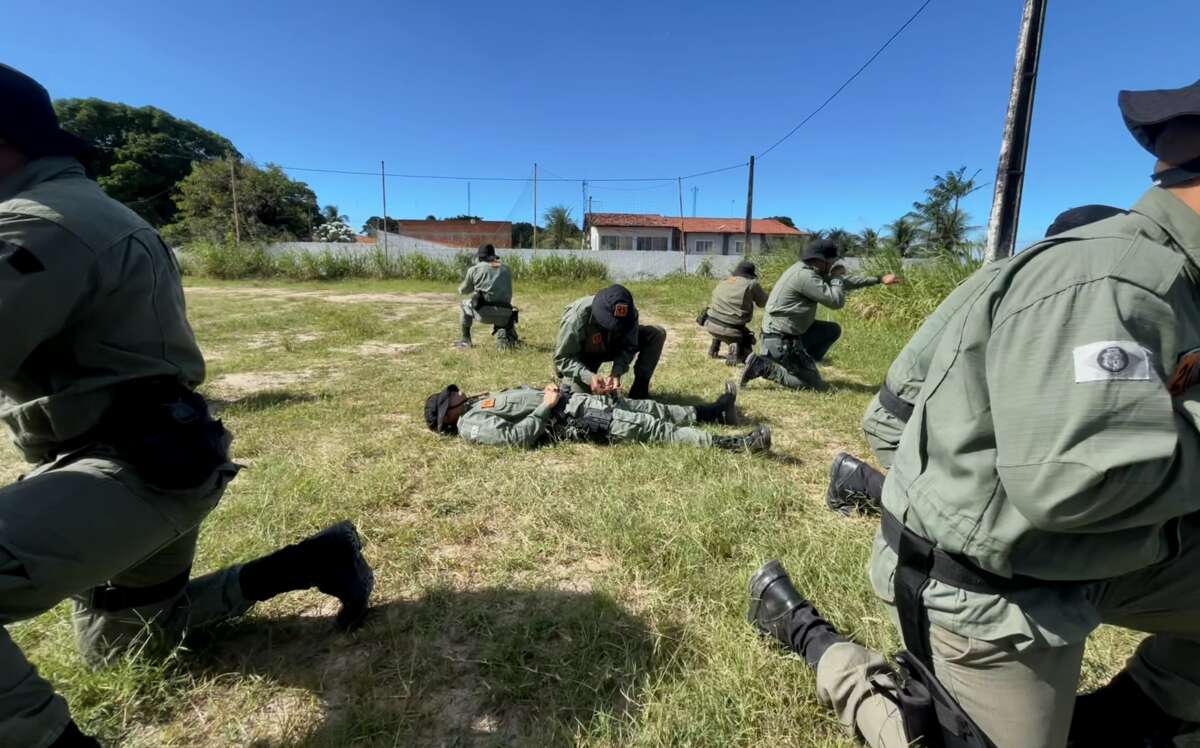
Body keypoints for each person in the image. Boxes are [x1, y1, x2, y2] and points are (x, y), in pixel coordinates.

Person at [747, 79, 1200, 748]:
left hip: (1096, 547)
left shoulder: (1155, 277)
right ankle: (815, 640)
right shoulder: (1115, 282)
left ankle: (1134, 719)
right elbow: (1070, 483)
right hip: (999, 578)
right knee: (937, 737)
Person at [0, 64, 374, 748]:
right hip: (160, 463)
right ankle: (306, 564)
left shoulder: (34, 223)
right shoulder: (98, 213)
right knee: (127, 650)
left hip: (125, 473)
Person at [826, 203, 1128, 516]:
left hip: (918, 416)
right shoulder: (1050, 293)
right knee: (995, 524)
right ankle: (860, 482)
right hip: (911, 423)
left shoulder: (1009, 274)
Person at [424, 381, 771, 451]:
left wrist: (549, 388)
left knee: (649, 407)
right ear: (447, 415)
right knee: (654, 428)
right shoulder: (471, 425)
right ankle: (734, 445)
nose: (456, 392)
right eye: (449, 396)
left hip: (576, 401)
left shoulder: (474, 406)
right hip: (575, 419)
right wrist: (546, 404)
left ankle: (713, 412)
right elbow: (515, 438)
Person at [740, 239, 900, 390]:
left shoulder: (807, 270)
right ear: (821, 261)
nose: (833, 265)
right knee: (813, 384)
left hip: (785, 334)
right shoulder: (805, 277)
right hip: (780, 340)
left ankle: (802, 364)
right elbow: (836, 301)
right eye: (832, 262)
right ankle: (762, 366)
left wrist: (879, 279)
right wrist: (837, 276)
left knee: (832, 330)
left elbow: (845, 283)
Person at [554, 284, 666, 400]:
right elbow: (563, 358)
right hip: (584, 356)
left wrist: (616, 373)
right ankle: (570, 381)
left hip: (610, 346)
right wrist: (588, 376)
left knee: (656, 334)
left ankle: (639, 392)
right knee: (577, 400)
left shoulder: (630, 313)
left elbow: (629, 346)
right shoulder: (576, 317)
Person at [699, 260, 768, 365]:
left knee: (722, 316)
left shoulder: (725, 280)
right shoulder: (751, 284)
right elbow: (763, 303)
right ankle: (737, 349)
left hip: (710, 324)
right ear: (751, 274)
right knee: (748, 350)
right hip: (732, 330)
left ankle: (714, 349)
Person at [455, 243, 519, 350]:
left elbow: (464, 290)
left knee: (464, 304)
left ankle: (466, 340)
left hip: (484, 313)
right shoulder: (506, 269)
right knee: (500, 310)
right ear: (494, 256)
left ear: (480, 257)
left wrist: (460, 288)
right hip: (506, 314)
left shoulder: (474, 269)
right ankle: (505, 335)